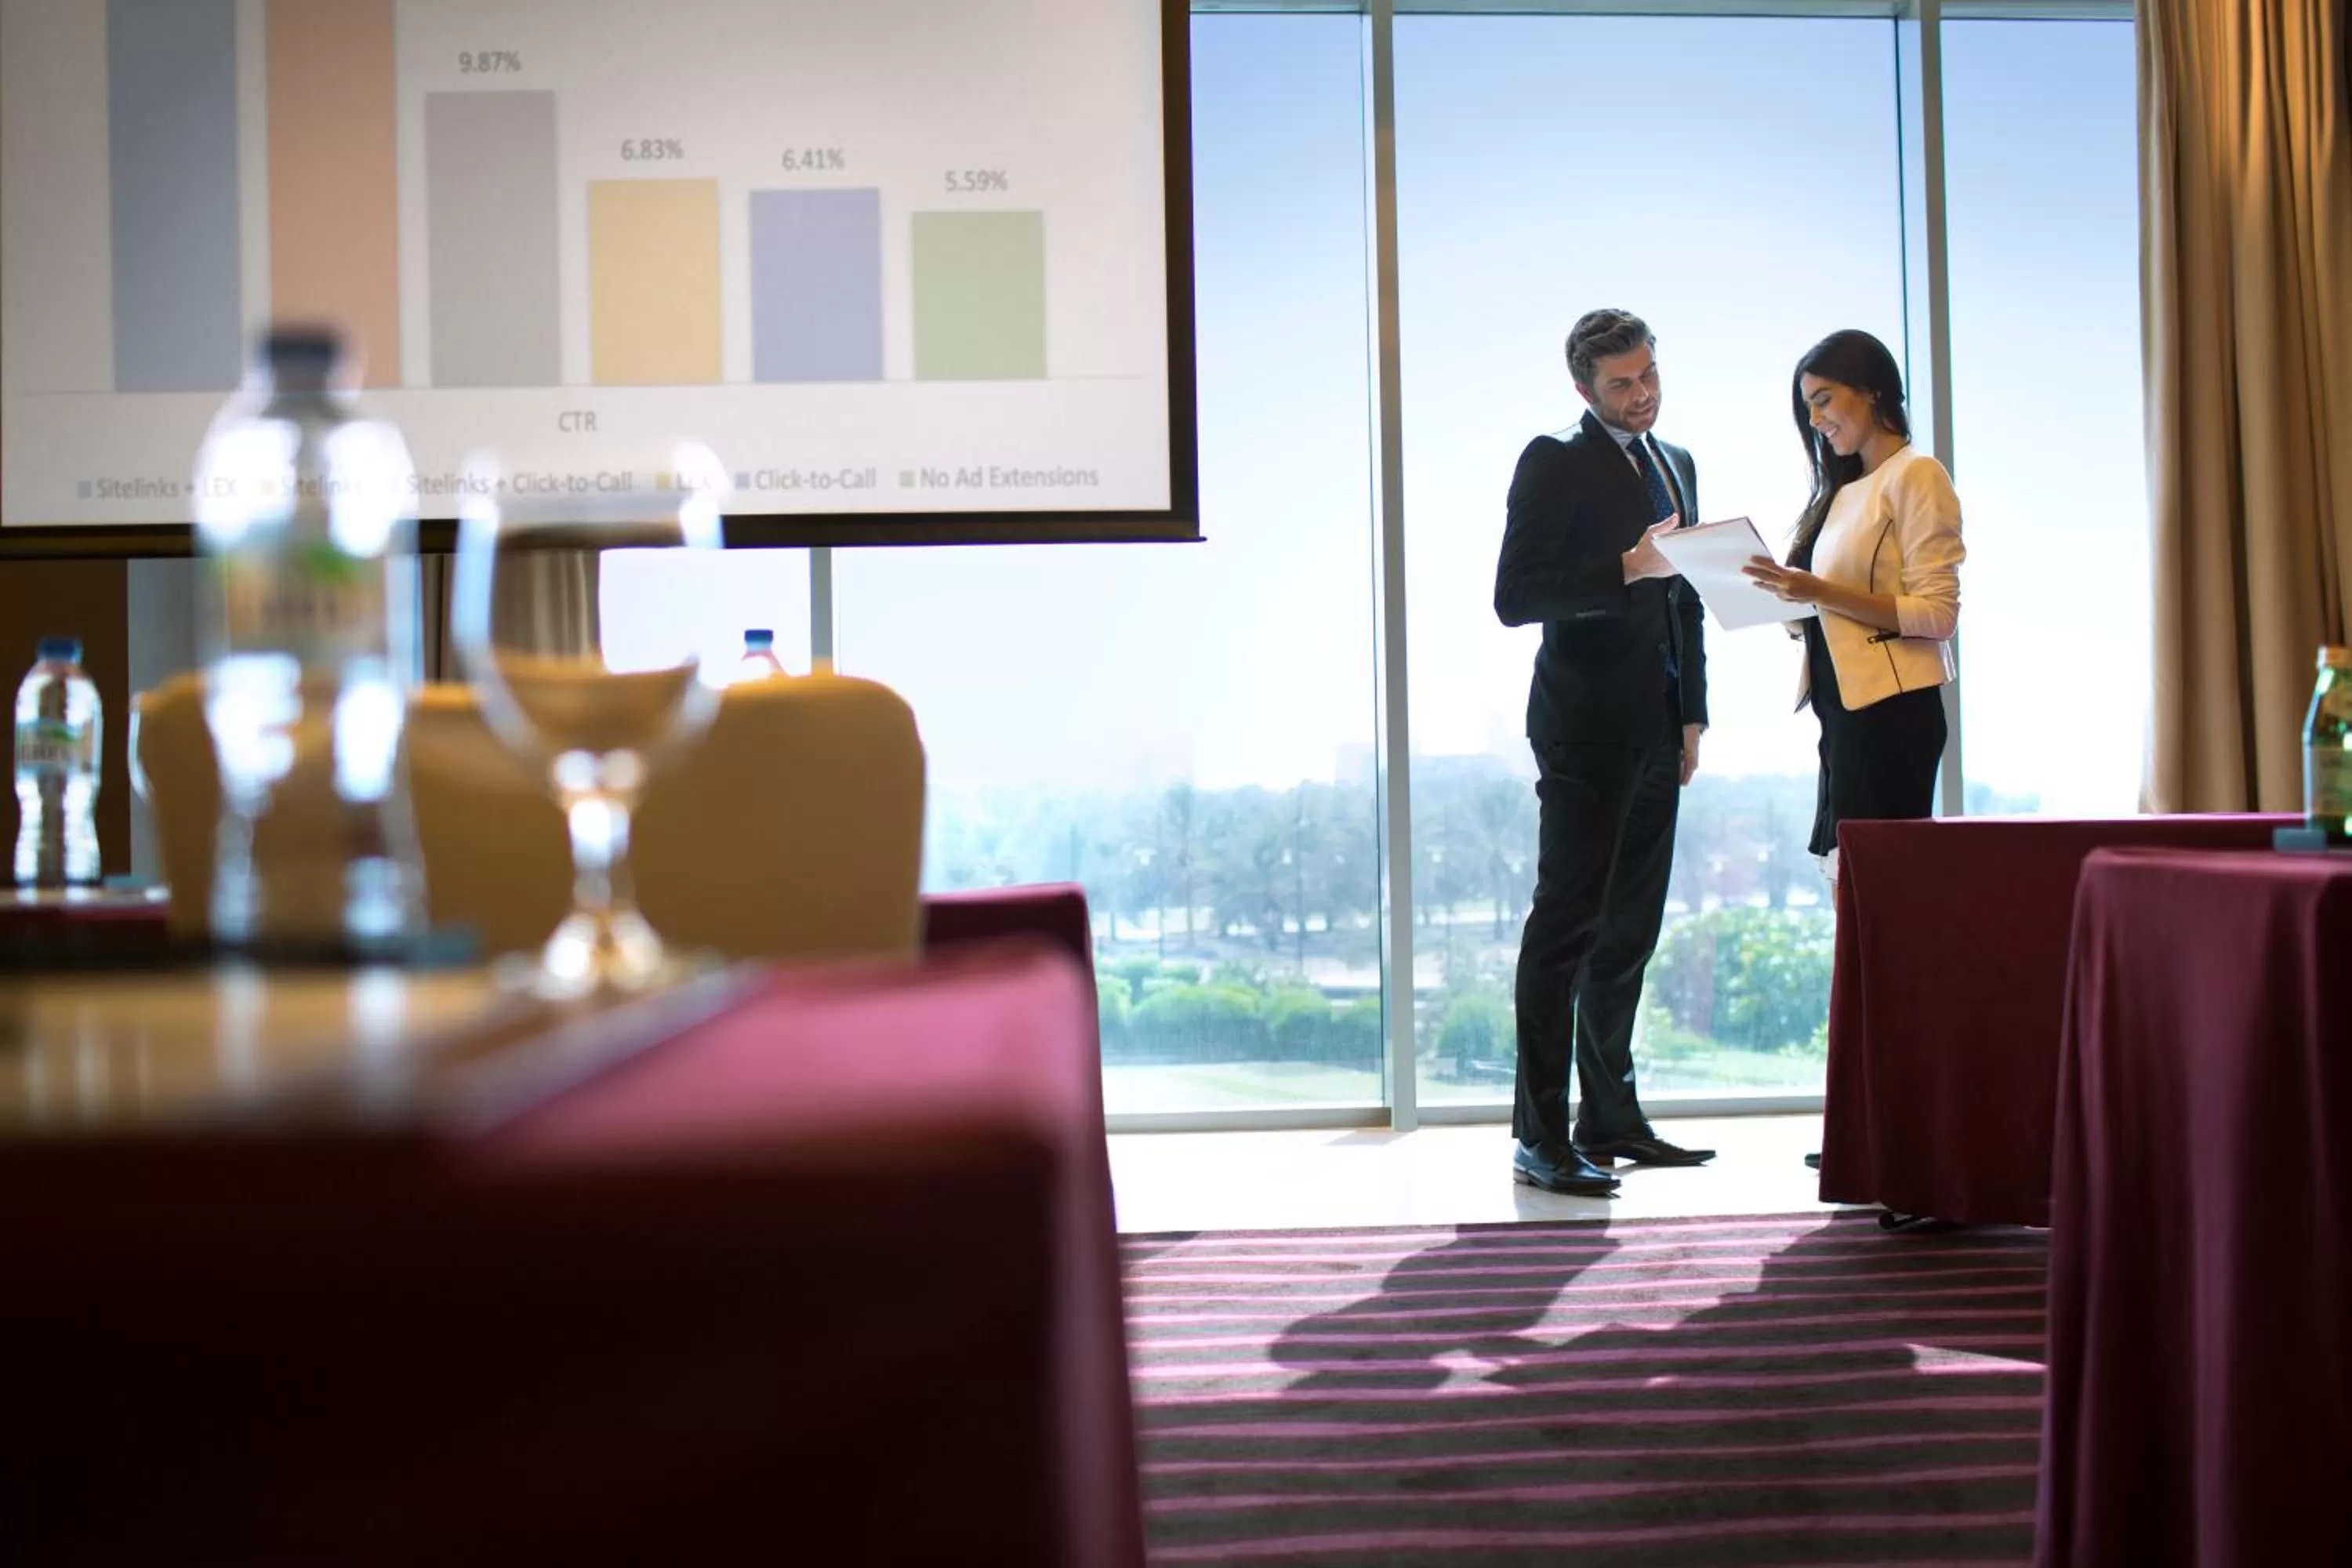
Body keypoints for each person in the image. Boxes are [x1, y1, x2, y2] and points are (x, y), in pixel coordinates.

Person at [1494, 309, 1718, 1199]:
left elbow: (1688, 597)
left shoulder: (1679, 462)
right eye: (1623, 382)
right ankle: (1538, 1134)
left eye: (1651, 373)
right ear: (1584, 389)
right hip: (1583, 724)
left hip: (1660, 725)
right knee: (1566, 930)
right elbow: (1515, 596)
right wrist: (1623, 569)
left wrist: (1693, 713)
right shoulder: (1555, 459)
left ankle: (1610, 1117)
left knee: (1629, 931)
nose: (1644, 392)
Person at [1741, 328, 1963, 1207]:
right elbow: (1832, 608)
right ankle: (1870, 1129)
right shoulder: (1842, 492)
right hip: (1845, 720)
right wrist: (1779, 599)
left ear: (1874, 390)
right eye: (1809, 407)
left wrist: (1816, 594)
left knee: (1889, 928)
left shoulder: (1918, 477)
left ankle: (1906, 1144)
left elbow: (1935, 615)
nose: (1819, 418)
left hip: (1895, 718)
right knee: (1861, 926)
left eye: (1827, 398)